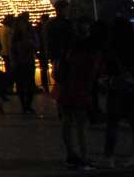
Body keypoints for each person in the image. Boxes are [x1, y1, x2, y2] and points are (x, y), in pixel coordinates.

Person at [54, 23, 101, 169]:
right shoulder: (88, 56)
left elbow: (57, 72)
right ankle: (83, 155)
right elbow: (91, 75)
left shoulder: (67, 54)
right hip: (79, 91)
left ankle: (71, 154)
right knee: (80, 124)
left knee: (67, 122)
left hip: (65, 90)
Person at [102, 17, 134, 168]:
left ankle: (109, 157)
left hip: (116, 88)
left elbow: (107, 69)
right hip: (133, 87)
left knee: (112, 124)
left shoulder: (111, 47)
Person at [45, 0, 74, 81]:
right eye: (66, 9)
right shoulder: (66, 23)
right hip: (63, 55)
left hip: (58, 55)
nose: (68, 11)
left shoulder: (50, 24)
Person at [37, 14, 51, 93]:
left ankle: (45, 85)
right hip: (43, 51)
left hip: (45, 50)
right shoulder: (41, 28)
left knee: (44, 68)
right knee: (44, 68)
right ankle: (45, 85)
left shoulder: (43, 28)